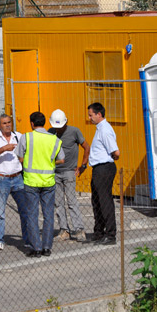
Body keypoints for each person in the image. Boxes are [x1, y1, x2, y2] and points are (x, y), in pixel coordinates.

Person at [16, 111, 64, 257]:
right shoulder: (54, 139)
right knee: (48, 214)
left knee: (32, 215)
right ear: (45, 123)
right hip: (48, 181)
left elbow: (20, 157)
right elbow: (62, 159)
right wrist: (49, 163)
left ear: (31, 123)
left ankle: (36, 247)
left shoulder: (26, 137)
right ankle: (47, 247)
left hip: (31, 181)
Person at [0, 114, 30, 251]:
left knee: (25, 210)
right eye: (4, 123)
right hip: (1, 178)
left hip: (17, 178)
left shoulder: (19, 136)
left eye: (9, 122)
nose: (7, 125)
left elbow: (25, 154)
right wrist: (4, 148)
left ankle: (27, 239)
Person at [48, 109, 90, 243]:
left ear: (66, 122)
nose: (58, 130)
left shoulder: (74, 131)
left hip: (69, 171)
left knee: (72, 202)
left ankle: (79, 229)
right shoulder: (50, 132)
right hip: (54, 172)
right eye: (56, 127)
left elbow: (86, 147)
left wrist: (83, 165)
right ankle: (64, 230)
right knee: (58, 202)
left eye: (60, 127)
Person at [87, 102, 120, 245]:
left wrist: (111, 158)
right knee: (97, 201)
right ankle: (99, 232)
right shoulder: (100, 128)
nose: (89, 118)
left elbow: (116, 152)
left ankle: (110, 234)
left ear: (99, 114)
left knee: (105, 201)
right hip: (98, 168)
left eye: (91, 115)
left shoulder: (105, 129)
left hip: (104, 168)